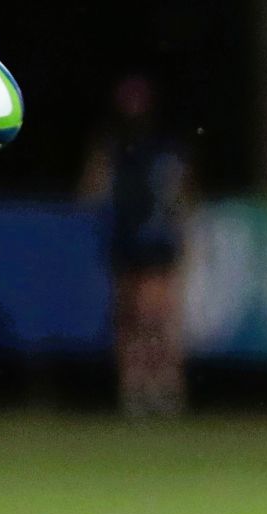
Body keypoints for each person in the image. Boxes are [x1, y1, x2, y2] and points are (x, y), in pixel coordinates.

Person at [78, 74, 193, 419]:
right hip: (125, 241)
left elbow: (183, 193)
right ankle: (133, 391)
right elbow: (91, 192)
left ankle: (167, 390)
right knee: (129, 319)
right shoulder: (112, 147)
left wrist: (182, 232)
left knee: (157, 319)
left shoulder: (164, 147)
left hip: (157, 241)